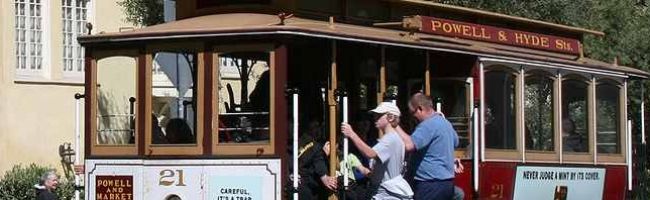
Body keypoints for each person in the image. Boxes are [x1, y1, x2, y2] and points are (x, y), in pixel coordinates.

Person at [341, 102, 413, 199]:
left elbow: (370, 153)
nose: (375, 118)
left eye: (379, 115)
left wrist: (351, 134)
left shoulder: (390, 139)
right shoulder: (394, 138)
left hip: (387, 194)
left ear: (390, 117)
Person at [396, 93, 458, 200]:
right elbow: (455, 142)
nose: (413, 117)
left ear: (420, 108)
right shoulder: (445, 123)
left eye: (412, 113)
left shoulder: (427, 125)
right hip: (447, 184)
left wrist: (395, 126)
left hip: (429, 185)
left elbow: (409, 145)